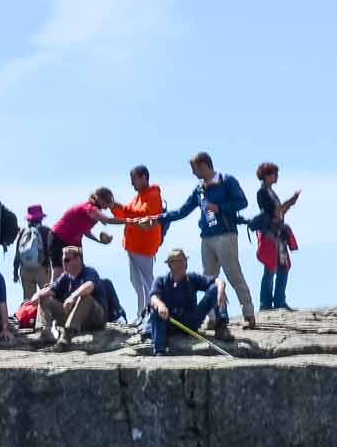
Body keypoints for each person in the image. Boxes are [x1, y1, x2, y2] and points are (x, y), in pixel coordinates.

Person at [161, 152, 258, 326]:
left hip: (225, 234)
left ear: (204, 165)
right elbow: (183, 210)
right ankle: (215, 317)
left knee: (234, 274)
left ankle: (248, 313)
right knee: (210, 278)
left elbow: (242, 202)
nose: (193, 173)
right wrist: (159, 217)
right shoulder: (199, 189)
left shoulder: (227, 180)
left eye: (194, 168)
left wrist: (219, 207)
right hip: (206, 237)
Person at [141, 247, 228, 355]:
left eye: (182, 261)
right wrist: (160, 306)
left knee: (216, 289)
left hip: (190, 320)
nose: (181, 264)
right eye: (176, 262)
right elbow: (153, 297)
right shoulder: (161, 281)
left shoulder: (192, 278)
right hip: (169, 322)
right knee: (155, 310)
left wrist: (220, 288)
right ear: (170, 265)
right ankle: (159, 350)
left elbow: (215, 280)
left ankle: (222, 327)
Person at [109, 166, 166, 321]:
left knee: (147, 281)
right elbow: (127, 214)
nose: (132, 183)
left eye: (134, 179)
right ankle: (142, 313)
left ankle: (152, 313)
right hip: (134, 246)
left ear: (143, 178)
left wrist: (120, 207)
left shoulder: (153, 195)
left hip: (144, 246)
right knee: (136, 282)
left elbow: (144, 214)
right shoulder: (139, 196)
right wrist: (114, 206)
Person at [37, 245, 120, 348]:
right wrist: (37, 296)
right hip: (75, 318)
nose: (63, 263)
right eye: (63, 260)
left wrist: (73, 296)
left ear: (77, 259)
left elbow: (89, 285)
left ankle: (67, 335)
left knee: (85, 297)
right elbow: (51, 291)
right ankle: (45, 333)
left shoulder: (89, 272)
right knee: (45, 297)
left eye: (67, 260)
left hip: (95, 319)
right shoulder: (65, 276)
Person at [249, 164, 302, 312]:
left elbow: (278, 213)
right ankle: (266, 303)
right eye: (274, 173)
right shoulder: (262, 193)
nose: (276, 176)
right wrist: (290, 202)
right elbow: (271, 214)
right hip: (270, 235)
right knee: (270, 268)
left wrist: (290, 203)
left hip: (278, 234)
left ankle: (279, 300)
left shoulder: (271, 192)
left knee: (283, 266)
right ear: (266, 175)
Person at [13, 204, 57, 299]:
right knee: (45, 299)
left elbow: (17, 252)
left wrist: (15, 272)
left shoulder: (23, 231)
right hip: (42, 268)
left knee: (28, 300)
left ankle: (28, 314)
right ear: (41, 218)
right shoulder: (47, 231)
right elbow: (52, 251)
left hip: (25, 269)